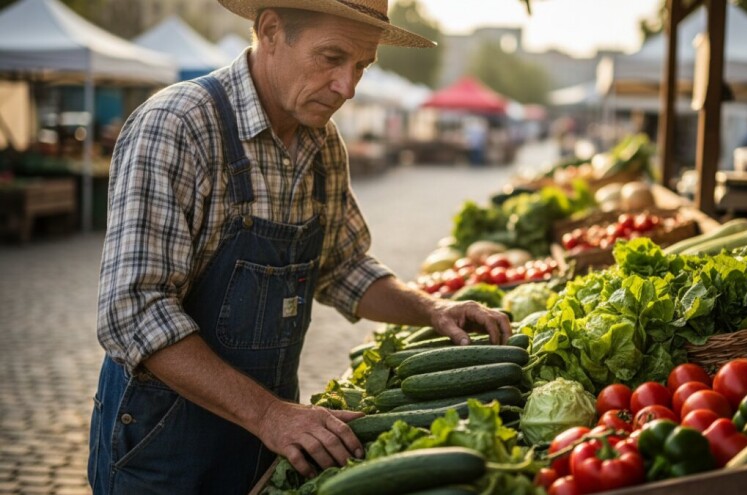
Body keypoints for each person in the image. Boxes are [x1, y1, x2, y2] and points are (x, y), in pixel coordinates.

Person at [87, 1, 512, 493]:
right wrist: (269, 413)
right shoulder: (178, 126)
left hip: (266, 440)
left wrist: (431, 310)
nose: (347, 87)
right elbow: (134, 310)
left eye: (361, 67)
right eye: (331, 57)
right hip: (162, 445)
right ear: (270, 31)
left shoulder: (323, 144)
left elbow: (344, 266)